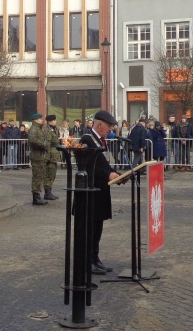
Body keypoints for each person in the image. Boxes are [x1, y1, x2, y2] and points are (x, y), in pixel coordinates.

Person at [79, 110, 122, 275]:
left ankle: (95, 258)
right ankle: (87, 260)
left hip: (101, 191)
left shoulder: (101, 140)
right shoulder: (87, 140)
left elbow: (103, 164)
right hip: (90, 192)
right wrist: (107, 174)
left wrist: (116, 173)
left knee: (98, 228)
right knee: (90, 228)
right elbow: (89, 165)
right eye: (108, 126)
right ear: (99, 124)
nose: (110, 129)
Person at [27, 113, 50, 205]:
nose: (42, 120)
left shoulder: (40, 129)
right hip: (37, 156)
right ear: (35, 120)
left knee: (40, 177)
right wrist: (43, 145)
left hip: (41, 156)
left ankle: (38, 196)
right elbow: (32, 140)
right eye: (40, 119)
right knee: (37, 177)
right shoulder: (34, 129)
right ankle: (36, 198)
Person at [44, 114, 61, 200]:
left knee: (53, 174)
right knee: (49, 174)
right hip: (50, 155)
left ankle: (49, 191)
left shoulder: (55, 129)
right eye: (54, 120)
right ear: (50, 121)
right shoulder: (47, 130)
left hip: (54, 155)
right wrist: (46, 158)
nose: (55, 121)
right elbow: (47, 145)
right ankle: (47, 192)